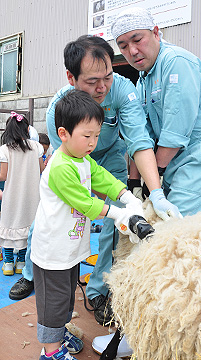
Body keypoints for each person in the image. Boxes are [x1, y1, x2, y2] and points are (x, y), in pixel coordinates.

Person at [9, 35, 182, 322]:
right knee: (52, 215)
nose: (102, 87)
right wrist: (106, 205)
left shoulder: (122, 91)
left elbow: (138, 141)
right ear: (71, 77)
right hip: (74, 159)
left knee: (115, 227)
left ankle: (98, 289)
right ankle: (32, 271)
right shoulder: (58, 110)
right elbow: (72, 168)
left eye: (108, 77)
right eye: (92, 81)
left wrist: (152, 193)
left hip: (109, 153)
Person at [31, 89, 144, 360]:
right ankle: (50, 351)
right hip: (52, 252)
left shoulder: (81, 158)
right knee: (54, 302)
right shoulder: (60, 166)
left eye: (96, 135)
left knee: (66, 295)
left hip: (68, 247)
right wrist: (118, 214)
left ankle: (58, 333)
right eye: (87, 136)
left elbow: (101, 176)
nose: (93, 142)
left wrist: (125, 194)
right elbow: (86, 204)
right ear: (63, 134)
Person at [111, 6, 201, 217]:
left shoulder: (176, 62)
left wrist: (154, 176)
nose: (132, 51)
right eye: (123, 46)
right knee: (167, 223)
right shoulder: (144, 78)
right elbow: (141, 135)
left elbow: (176, 131)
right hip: (172, 160)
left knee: (178, 227)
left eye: (137, 39)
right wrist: (134, 182)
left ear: (156, 33)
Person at [0, 112, 44, 276]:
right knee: (28, 227)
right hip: (32, 195)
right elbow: (41, 170)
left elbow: (3, 176)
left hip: (12, 196)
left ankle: (9, 264)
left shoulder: (4, 150)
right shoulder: (36, 147)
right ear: (27, 129)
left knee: (9, 226)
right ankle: (22, 263)